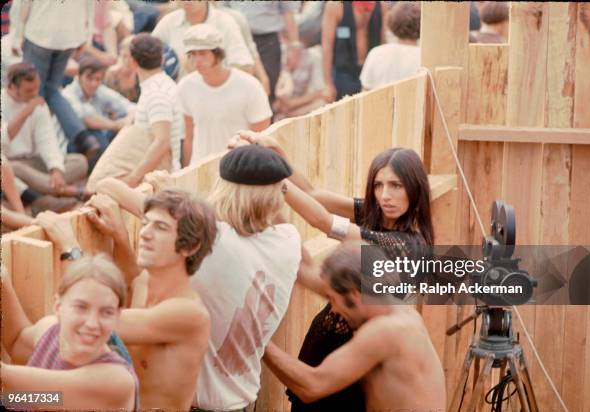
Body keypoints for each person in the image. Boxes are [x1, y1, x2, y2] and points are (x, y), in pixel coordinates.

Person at [231, 131, 434, 411]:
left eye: (396, 186)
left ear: (415, 188)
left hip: (348, 366)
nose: (385, 195)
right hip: (328, 350)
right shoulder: (381, 214)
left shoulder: (406, 245)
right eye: (379, 185)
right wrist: (279, 158)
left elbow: (324, 221)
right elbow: (314, 195)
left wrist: (270, 175)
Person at [94, 145, 303, 412]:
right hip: (243, 400)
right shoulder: (289, 241)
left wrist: (173, 196)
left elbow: (108, 185)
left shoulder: (215, 241)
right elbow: (316, 218)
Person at [37, 188, 216, 411]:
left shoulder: (189, 314)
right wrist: (119, 235)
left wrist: (70, 246)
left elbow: (95, 321)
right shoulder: (143, 284)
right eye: (145, 223)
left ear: (190, 247)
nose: (145, 234)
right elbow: (132, 275)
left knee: (38, 339)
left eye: (160, 227)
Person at [263, 243, 446, 412]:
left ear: (355, 295)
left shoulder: (386, 331)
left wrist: (258, 339)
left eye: (332, 299)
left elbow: (312, 386)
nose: (333, 308)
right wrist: (280, 229)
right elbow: (306, 274)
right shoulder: (387, 306)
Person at [1, 256, 138, 410]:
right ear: (58, 306)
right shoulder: (50, 331)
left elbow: (50, 397)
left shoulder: (117, 382)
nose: (92, 323)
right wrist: (3, 281)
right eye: (81, 307)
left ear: (117, 316)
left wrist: (5, 397)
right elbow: (16, 342)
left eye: (106, 312)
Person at [86, 33, 183, 191]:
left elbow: (162, 141)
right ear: (162, 59)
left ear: (132, 61)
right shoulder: (158, 86)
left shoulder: (156, 94)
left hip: (160, 180)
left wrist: (133, 179)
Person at [9, 0, 101, 160]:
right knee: (51, 91)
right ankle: (82, 137)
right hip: (70, 36)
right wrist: (85, 37)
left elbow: (21, 6)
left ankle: (34, 150)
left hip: (39, 33)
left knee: (33, 94)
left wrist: (16, 37)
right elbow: (90, 5)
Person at [177, 24, 271, 166]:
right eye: (192, 54)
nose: (196, 60)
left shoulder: (250, 87)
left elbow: (261, 138)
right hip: (200, 170)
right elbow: (189, 136)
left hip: (238, 170)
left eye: (202, 53)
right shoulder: (186, 87)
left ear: (218, 53)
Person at [1, 63, 89, 208]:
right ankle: (64, 191)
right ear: (12, 87)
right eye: (29, 90)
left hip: (35, 162)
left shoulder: (38, 103)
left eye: (37, 88)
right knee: (10, 168)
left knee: (80, 161)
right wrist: (26, 112)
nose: (35, 93)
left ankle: (52, 190)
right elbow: (3, 140)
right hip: (10, 163)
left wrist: (56, 170)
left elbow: (47, 140)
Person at [62, 56, 135, 168]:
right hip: (73, 143)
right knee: (98, 136)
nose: (94, 84)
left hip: (100, 138)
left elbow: (129, 106)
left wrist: (127, 120)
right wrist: (117, 125)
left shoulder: (99, 90)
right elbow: (87, 119)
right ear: (79, 77)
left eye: (98, 79)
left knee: (125, 121)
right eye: (89, 78)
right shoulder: (68, 94)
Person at [152, 0, 254, 79]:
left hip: (217, 96)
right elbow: (147, 58)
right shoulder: (168, 22)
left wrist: (211, 70)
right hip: (178, 98)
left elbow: (245, 68)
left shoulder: (225, 22)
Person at [225, 1, 302, 105]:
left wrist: (294, 45)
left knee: (266, 91)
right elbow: (222, 9)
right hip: (236, 40)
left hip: (267, 41)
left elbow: (288, 11)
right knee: (236, 90)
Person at [321, 1, 387, 101]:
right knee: (344, 112)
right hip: (344, 71)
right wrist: (327, 83)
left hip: (369, 70)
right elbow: (327, 46)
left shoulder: (381, 6)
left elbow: (384, 43)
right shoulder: (336, 5)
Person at [360, 2, 421, 91]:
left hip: (379, 104)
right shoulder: (424, 58)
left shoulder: (376, 53)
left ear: (392, 21)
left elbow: (365, 90)